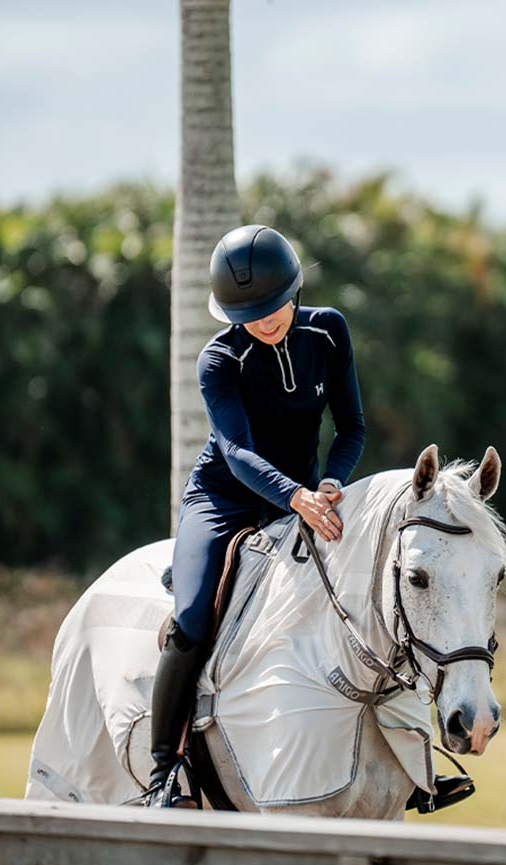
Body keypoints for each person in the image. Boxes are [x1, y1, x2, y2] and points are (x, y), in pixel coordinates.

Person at [143, 224, 365, 807]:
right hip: (224, 496)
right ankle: (164, 770)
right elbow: (237, 453)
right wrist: (296, 497)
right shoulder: (219, 358)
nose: (264, 320)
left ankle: (398, 743)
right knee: (192, 617)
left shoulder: (329, 330)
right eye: (248, 313)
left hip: (309, 495)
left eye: (272, 307)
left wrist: (330, 483)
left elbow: (352, 426)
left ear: (295, 290)